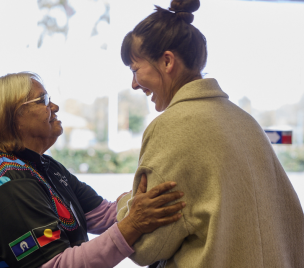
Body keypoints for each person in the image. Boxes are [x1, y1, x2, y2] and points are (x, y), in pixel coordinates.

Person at [116, 0, 304, 267]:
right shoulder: (245, 122)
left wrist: (124, 205)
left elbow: (144, 247)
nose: (134, 84)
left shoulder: (170, 127)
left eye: (135, 70)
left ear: (167, 61)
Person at [0, 72, 186, 268]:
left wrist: (150, 197)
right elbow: (56, 264)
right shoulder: (9, 183)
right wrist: (133, 225)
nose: (54, 106)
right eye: (42, 100)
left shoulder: (42, 166)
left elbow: (103, 214)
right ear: (11, 118)